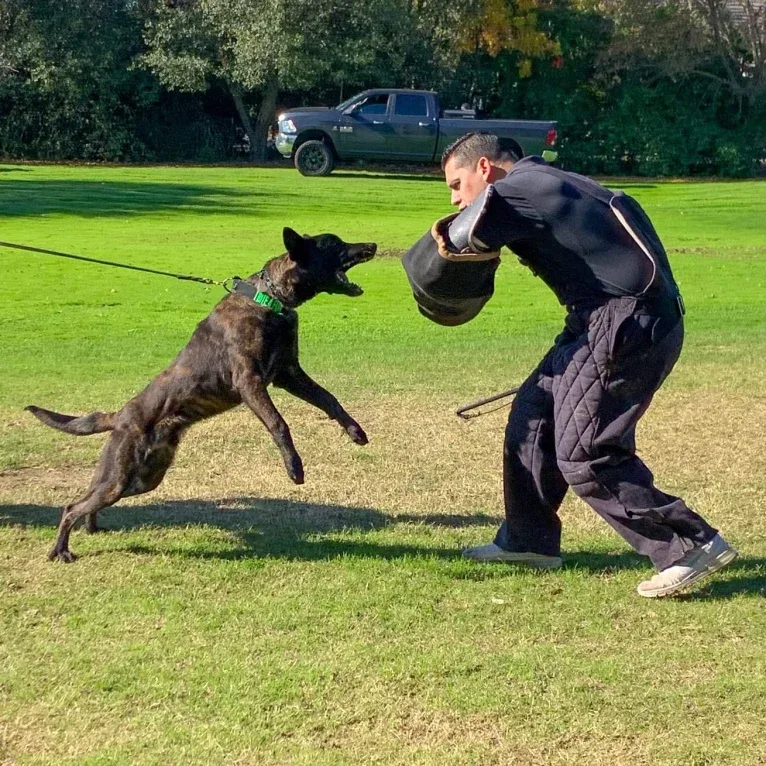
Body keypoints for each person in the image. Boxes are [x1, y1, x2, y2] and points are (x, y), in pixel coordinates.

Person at [402, 132, 737, 597]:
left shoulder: (518, 188)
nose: (457, 199)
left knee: (586, 452)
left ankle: (689, 544)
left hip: (625, 322)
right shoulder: (555, 180)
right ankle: (529, 540)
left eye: (457, 185)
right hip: (607, 316)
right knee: (533, 415)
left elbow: (445, 248)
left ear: (484, 168)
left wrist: (437, 263)